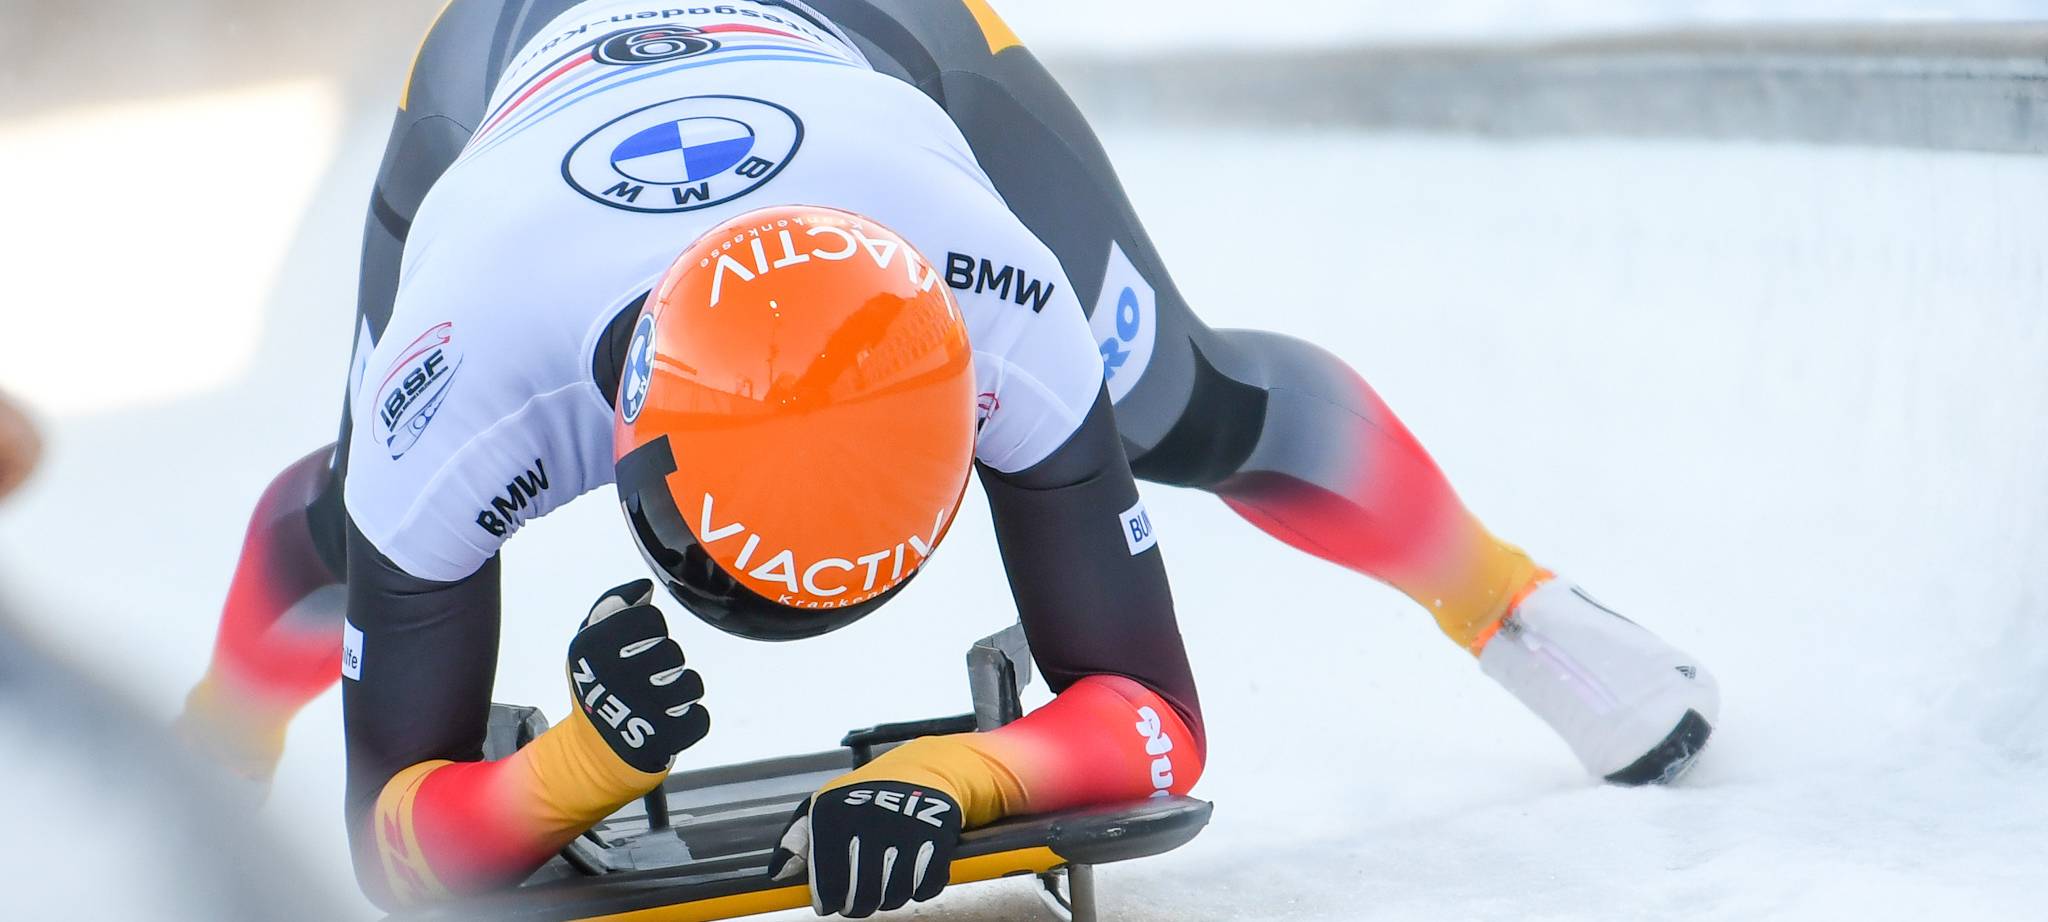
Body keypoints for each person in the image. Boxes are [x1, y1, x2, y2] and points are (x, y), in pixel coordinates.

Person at [177, 0, 1719, 915]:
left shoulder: (998, 304)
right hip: (495, 71)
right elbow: (391, 849)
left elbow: (1164, 726)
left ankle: (1512, 604)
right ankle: (198, 755)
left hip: (875, 38)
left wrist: (962, 774)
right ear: (623, 453)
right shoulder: (467, 392)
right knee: (344, 518)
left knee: (1189, 405)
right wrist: (576, 761)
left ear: (960, 409)